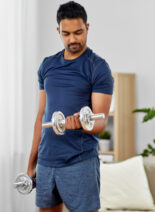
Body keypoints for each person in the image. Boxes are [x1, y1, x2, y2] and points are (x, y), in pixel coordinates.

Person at [27, 1, 114, 211]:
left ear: (87, 27)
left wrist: (81, 124)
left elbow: (101, 121)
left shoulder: (98, 68)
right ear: (58, 30)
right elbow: (42, 116)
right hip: (47, 161)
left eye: (78, 32)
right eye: (66, 34)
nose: (73, 39)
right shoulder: (47, 65)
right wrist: (32, 162)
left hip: (79, 161)